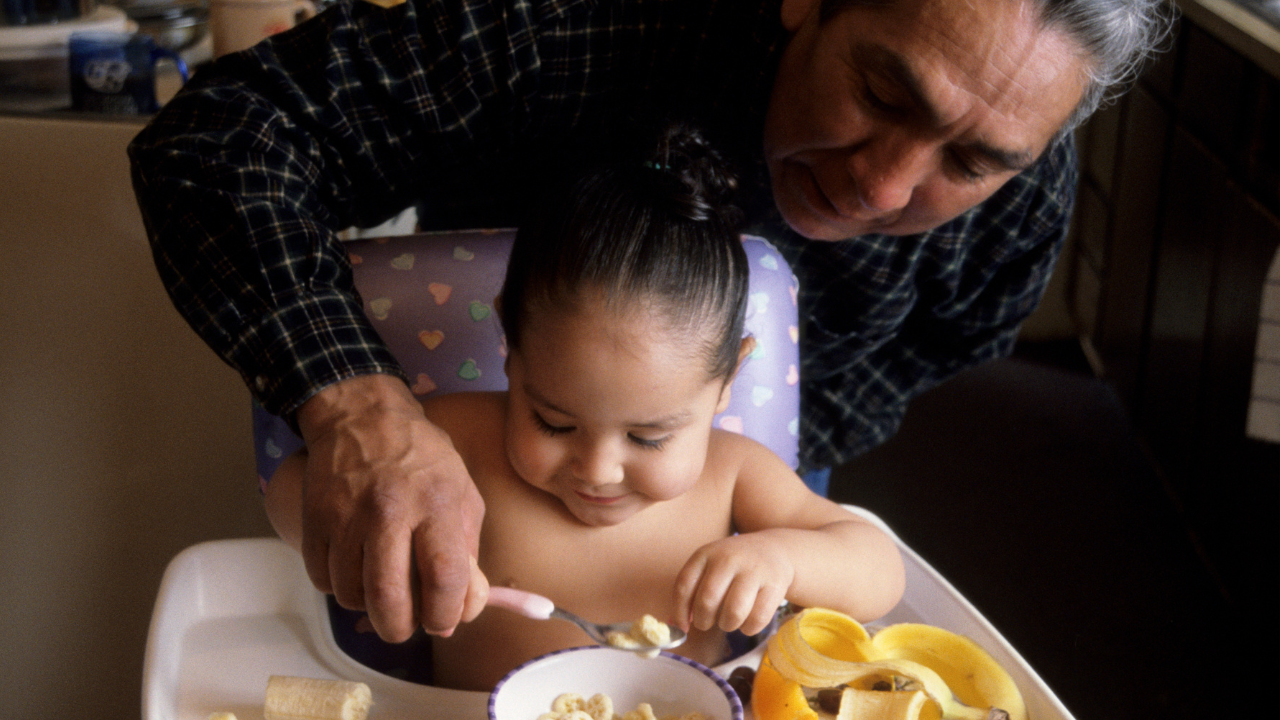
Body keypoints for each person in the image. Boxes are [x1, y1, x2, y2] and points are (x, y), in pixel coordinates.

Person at [129, 0, 1174, 644]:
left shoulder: (1020, 202)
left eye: (968, 162)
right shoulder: (567, 24)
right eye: (882, 93)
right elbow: (220, 140)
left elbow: (940, 344)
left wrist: (759, 477)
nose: (879, 185)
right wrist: (359, 409)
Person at [261, 122, 906, 690]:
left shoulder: (734, 474)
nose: (597, 469)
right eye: (554, 421)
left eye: (649, 438)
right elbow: (292, 495)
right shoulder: (451, 445)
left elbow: (880, 570)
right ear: (509, 343)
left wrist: (784, 560)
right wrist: (387, 534)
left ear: (727, 380)